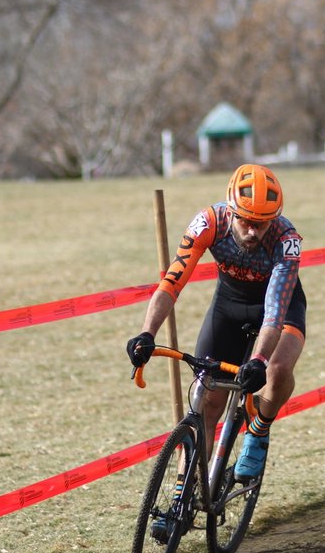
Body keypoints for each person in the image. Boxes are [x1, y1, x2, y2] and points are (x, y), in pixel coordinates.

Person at [126, 163, 306, 483]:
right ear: (232, 212)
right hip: (230, 304)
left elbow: (275, 311)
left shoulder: (286, 238)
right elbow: (171, 284)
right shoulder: (209, 222)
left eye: (262, 224)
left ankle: (259, 429)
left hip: (280, 308)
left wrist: (259, 360)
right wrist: (146, 333)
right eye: (248, 222)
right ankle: (184, 491)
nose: (253, 231)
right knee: (207, 401)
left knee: (277, 370)